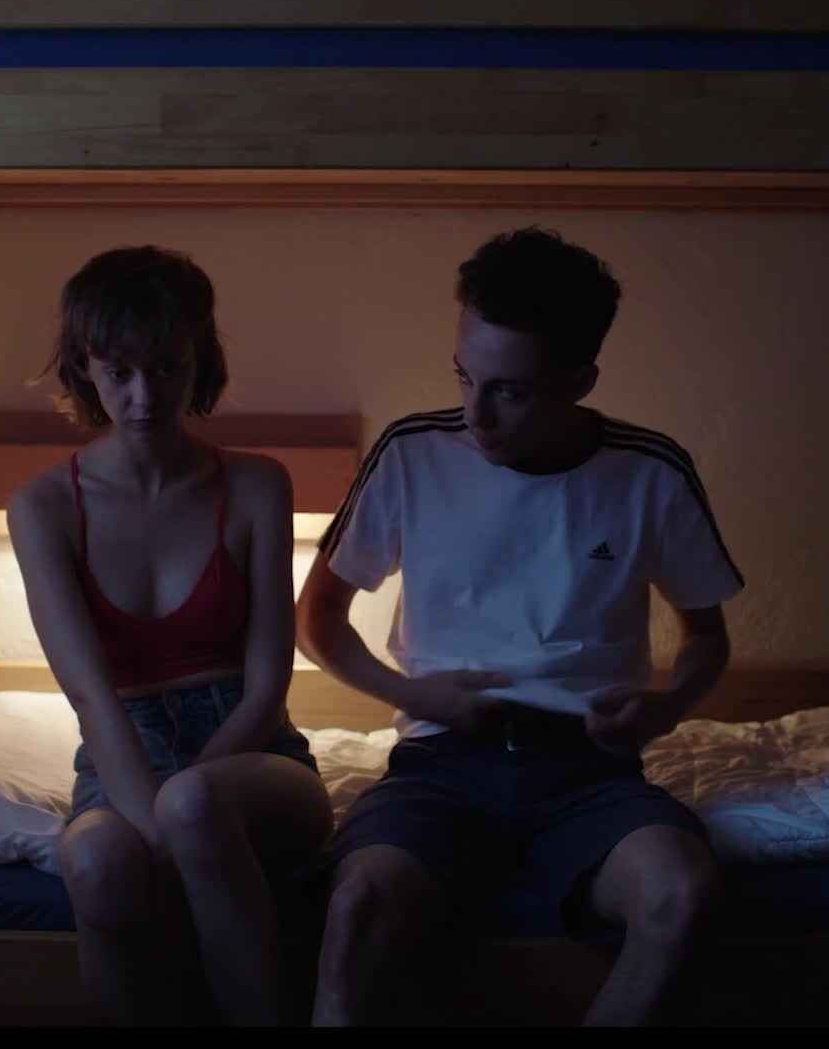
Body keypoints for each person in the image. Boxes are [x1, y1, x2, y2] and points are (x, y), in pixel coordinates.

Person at [298, 226, 745, 1026]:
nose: (476, 414)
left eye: (509, 391)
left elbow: (706, 636)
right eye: (464, 377)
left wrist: (667, 706)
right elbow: (317, 617)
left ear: (579, 381)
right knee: (357, 904)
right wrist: (412, 695)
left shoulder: (648, 470)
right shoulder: (413, 453)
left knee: (682, 892)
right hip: (442, 765)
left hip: (589, 772)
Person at [7, 245, 332, 1025]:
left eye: (166, 369)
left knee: (193, 807)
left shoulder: (256, 484)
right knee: (97, 861)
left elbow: (267, 686)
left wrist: (180, 815)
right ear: (84, 368)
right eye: (119, 372)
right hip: (123, 750)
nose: (144, 396)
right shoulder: (44, 507)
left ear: (200, 361)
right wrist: (157, 821)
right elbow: (92, 698)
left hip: (254, 753)